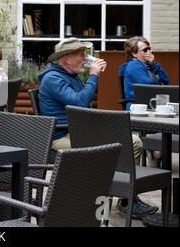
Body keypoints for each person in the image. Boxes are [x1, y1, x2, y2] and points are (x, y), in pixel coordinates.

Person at [38, 37, 156, 219]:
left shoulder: (69, 76)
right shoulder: (52, 79)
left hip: (79, 131)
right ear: (66, 58)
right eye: (80, 54)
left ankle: (121, 197)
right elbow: (80, 103)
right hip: (62, 137)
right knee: (126, 145)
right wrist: (93, 75)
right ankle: (108, 196)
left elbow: (83, 106)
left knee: (133, 141)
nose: (85, 59)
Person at [119, 36, 170, 111]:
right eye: (145, 50)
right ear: (134, 54)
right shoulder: (134, 66)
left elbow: (166, 81)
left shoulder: (148, 65)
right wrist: (160, 85)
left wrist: (153, 64)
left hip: (149, 105)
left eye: (149, 49)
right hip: (139, 108)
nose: (149, 52)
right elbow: (148, 88)